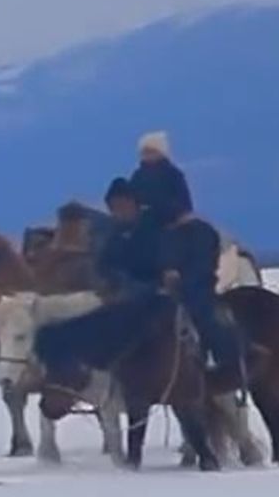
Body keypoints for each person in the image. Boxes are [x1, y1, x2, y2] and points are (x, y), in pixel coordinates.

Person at [125, 132, 238, 379]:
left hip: (173, 238)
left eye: (151, 151)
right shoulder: (136, 177)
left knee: (196, 298)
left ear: (161, 152)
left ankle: (222, 352)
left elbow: (183, 208)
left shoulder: (173, 175)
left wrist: (153, 209)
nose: (146, 155)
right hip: (148, 238)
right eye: (144, 151)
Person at [93, 178, 158, 299]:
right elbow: (103, 265)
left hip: (153, 292)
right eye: (113, 208)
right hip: (121, 295)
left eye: (122, 205)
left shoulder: (153, 226)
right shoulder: (114, 236)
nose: (118, 212)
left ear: (135, 203)